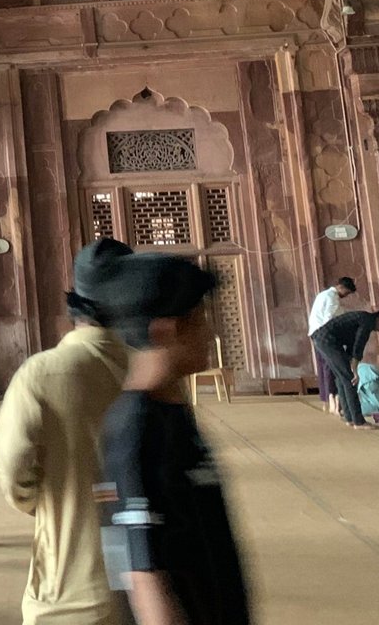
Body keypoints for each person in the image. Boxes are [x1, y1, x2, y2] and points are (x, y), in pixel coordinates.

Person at [99, 252, 251, 625]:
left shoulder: (172, 413)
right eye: (200, 321)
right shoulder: (134, 434)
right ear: (165, 330)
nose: (211, 333)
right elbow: (145, 579)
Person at [0, 238, 133, 625]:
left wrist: (48, 502)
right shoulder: (149, 373)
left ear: (76, 307)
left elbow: (10, 461)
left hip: (69, 593)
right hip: (147, 591)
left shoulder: (42, 374)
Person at [311, 307, 379, 429]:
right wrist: (354, 370)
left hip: (322, 340)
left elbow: (352, 346)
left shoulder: (362, 318)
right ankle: (358, 421)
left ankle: (349, 418)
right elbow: (359, 345)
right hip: (327, 341)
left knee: (341, 379)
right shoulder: (367, 321)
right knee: (350, 379)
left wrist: (353, 364)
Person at [307, 276, 356, 411]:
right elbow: (329, 319)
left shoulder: (322, 295)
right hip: (325, 335)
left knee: (323, 367)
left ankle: (326, 399)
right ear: (342, 287)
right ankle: (332, 398)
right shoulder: (332, 297)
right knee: (331, 366)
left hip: (315, 332)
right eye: (347, 293)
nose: (345, 296)